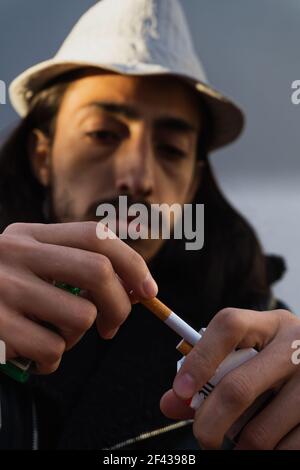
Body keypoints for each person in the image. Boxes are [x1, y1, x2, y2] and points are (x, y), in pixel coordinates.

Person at [0, 0, 299, 450]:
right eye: (103, 134)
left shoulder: (265, 343)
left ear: (192, 184)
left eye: (172, 150)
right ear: (43, 156)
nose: (138, 179)